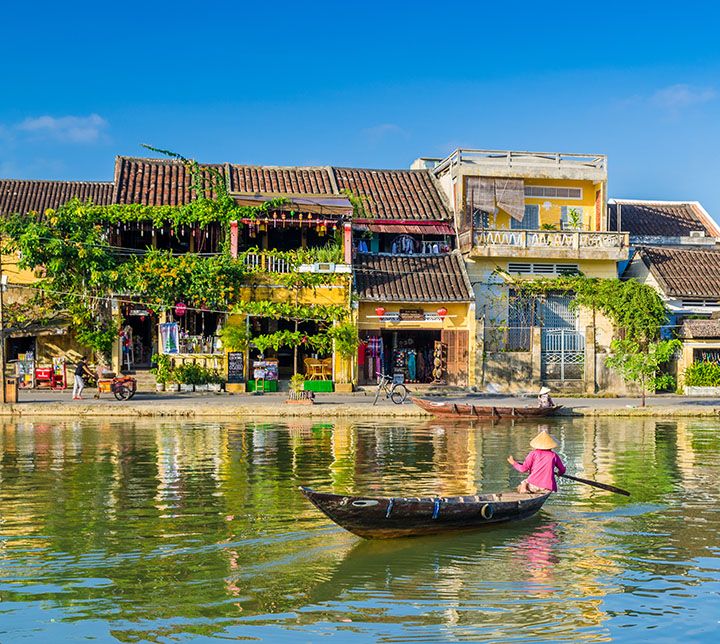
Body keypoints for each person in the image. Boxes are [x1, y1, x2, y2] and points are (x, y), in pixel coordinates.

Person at [507, 430, 566, 494]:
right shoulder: (554, 455)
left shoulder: (533, 454)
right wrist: (559, 473)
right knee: (527, 482)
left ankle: (524, 489)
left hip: (533, 485)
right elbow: (562, 469)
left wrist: (514, 463)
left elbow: (523, 469)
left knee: (522, 484)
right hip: (547, 487)